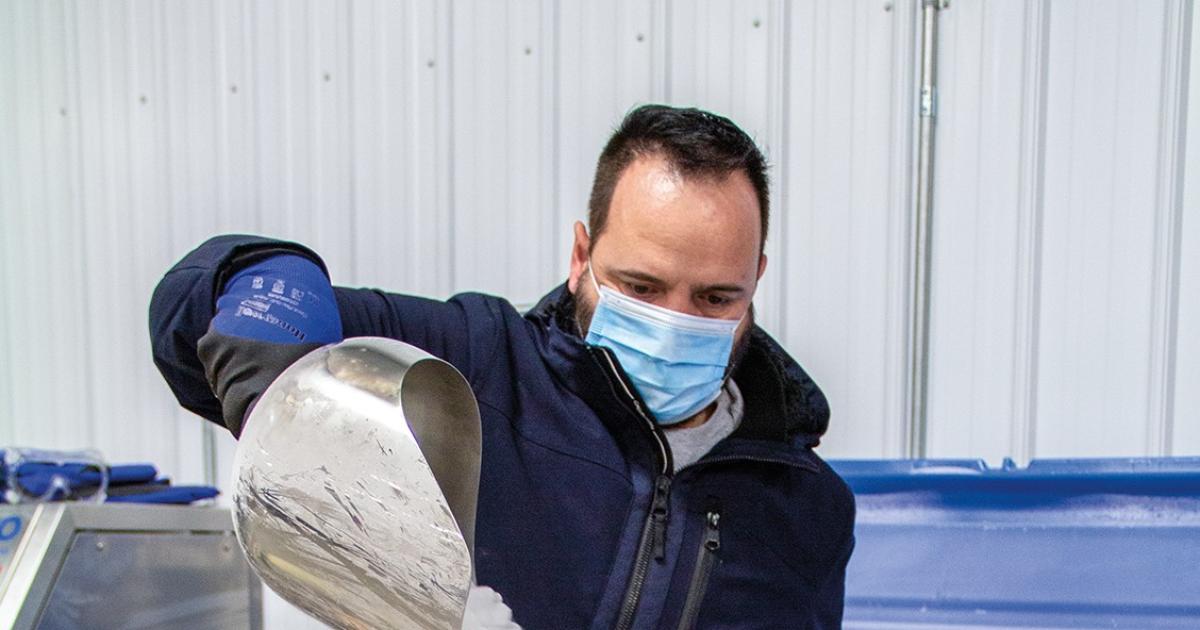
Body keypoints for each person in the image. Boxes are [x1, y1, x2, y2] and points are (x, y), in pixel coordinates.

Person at [150, 104, 855, 629]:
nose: (675, 322)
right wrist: (266, 310)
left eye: (714, 296)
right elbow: (199, 307)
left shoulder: (805, 509)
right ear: (581, 255)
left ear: (756, 279)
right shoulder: (475, 369)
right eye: (641, 288)